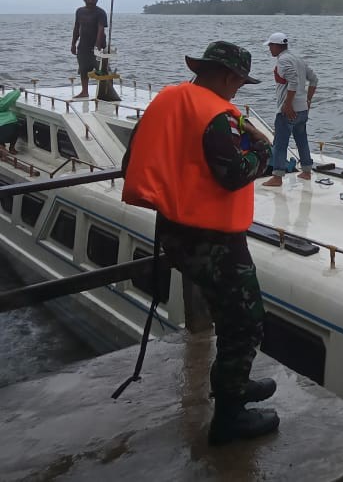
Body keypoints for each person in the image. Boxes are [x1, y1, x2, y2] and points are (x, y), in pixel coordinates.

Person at [122, 41, 278, 444]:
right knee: (245, 322)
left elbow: (132, 160)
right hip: (213, 241)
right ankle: (230, 416)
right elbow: (233, 174)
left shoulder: (168, 101)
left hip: (174, 231)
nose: (238, 91)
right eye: (240, 83)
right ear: (229, 76)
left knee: (227, 314)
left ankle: (233, 383)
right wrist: (263, 149)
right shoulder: (215, 115)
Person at [261, 32, 318, 188]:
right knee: (302, 139)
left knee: (280, 142)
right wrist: (308, 100)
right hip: (302, 110)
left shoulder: (283, 61)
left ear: (278, 46)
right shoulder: (298, 59)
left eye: (271, 45)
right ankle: (306, 171)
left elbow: (292, 80)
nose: (270, 49)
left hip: (288, 110)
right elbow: (314, 79)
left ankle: (277, 177)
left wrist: (287, 104)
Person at [70, 0, 107, 99]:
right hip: (83, 46)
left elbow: (101, 29)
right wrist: (73, 44)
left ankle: (105, 91)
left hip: (98, 46)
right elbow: (77, 28)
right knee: (83, 69)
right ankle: (84, 91)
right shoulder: (79, 11)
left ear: (97, 0)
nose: (90, 1)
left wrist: (97, 46)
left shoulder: (100, 12)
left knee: (102, 70)